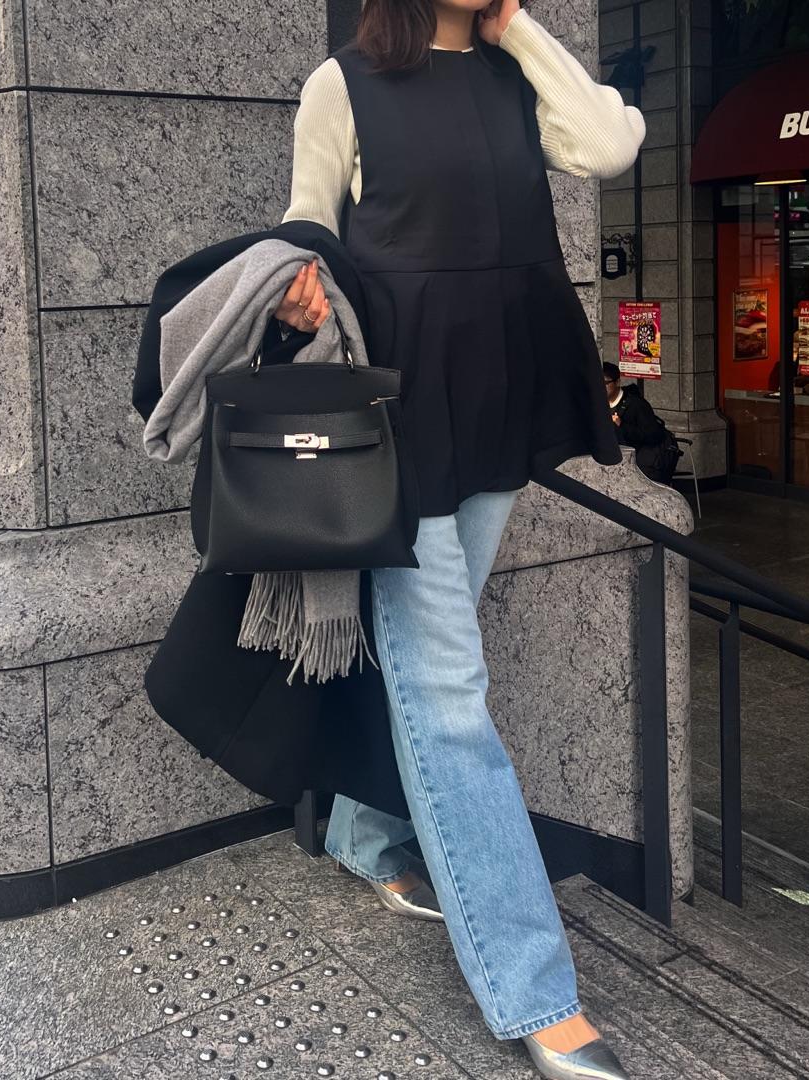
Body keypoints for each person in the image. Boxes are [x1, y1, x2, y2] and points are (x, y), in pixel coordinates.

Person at [274, 1, 645, 1077]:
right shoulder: (342, 86)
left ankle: (359, 830)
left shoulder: (515, 72)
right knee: (446, 690)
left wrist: (517, 27)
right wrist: (297, 297)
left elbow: (608, 146)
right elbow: (305, 231)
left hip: (503, 390)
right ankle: (537, 994)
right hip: (399, 410)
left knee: (433, 652)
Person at [603, 362, 680, 484]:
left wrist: (622, 426)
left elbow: (653, 435)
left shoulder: (636, 404)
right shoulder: (599, 405)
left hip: (637, 465)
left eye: (605, 383)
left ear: (617, 382)